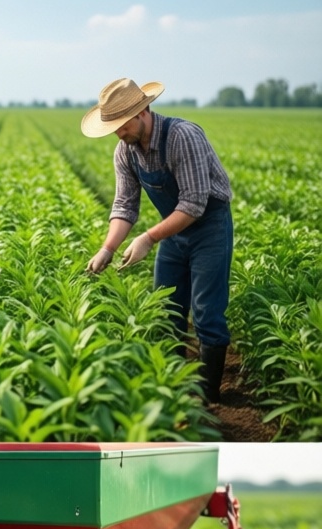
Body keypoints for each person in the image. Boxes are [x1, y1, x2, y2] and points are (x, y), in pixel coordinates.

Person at [81, 77, 234, 401]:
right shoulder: (126, 151)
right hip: (174, 231)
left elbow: (194, 204)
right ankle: (175, 389)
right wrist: (108, 248)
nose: (119, 134)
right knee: (166, 310)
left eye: (123, 125)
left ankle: (208, 398)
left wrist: (148, 238)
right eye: (114, 128)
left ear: (143, 111)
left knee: (206, 311)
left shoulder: (182, 136)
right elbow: (125, 205)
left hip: (208, 226)